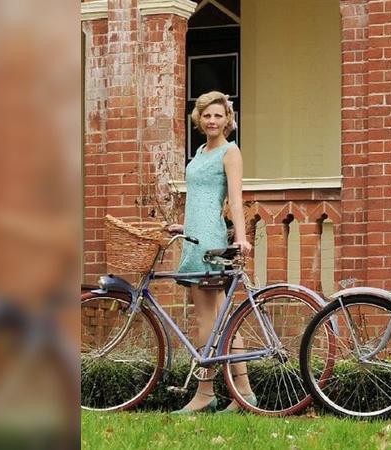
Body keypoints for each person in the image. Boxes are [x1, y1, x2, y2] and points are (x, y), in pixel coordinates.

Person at [166, 91, 255, 414]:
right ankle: (244, 393)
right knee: (223, 320)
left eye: (218, 115)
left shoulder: (230, 153)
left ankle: (205, 393)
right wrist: (183, 225)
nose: (212, 121)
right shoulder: (201, 152)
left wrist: (241, 239)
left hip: (208, 242)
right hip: (193, 236)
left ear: (227, 120)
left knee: (207, 318)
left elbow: (233, 199)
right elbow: (200, 199)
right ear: (199, 119)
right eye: (207, 115)